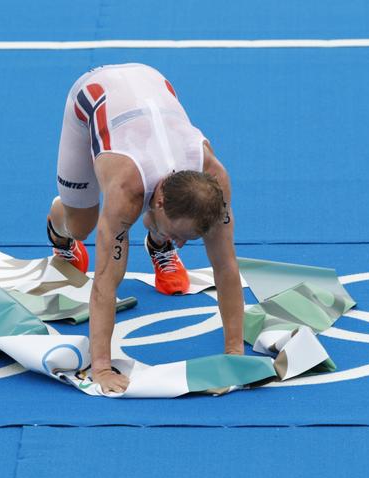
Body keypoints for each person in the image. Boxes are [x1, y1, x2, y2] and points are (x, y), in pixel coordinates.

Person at [46, 63, 244, 394]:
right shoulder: (126, 191)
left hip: (153, 83)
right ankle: (57, 223)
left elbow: (226, 267)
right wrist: (102, 368)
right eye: (178, 236)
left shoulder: (216, 183)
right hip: (92, 100)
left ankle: (159, 241)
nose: (183, 244)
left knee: (187, 232)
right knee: (81, 227)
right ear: (159, 201)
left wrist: (235, 354)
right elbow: (105, 285)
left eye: (185, 238)